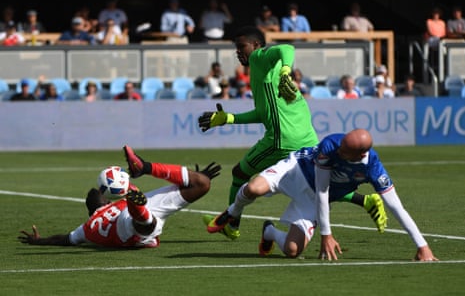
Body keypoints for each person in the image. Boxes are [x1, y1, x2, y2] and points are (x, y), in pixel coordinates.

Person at [198, 26, 386, 240]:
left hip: (281, 140)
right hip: (306, 137)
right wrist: (229, 118)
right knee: (316, 182)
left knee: (240, 174)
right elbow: (263, 113)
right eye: (236, 48)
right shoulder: (263, 71)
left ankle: (232, 224)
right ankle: (366, 200)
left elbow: (286, 48)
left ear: (256, 46)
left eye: (242, 47)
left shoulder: (260, 57)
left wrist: (286, 69)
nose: (238, 52)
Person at [207, 129, 438, 262]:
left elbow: (397, 207)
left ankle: (269, 231)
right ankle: (232, 212)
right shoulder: (330, 146)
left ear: (361, 155)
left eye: (345, 151)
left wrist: (422, 246)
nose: (339, 151)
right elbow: (323, 189)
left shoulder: (374, 169)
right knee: (253, 189)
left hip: (311, 198)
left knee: (292, 251)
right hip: (296, 170)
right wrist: (326, 235)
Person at [18, 145, 221, 249]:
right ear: (106, 200)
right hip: (127, 216)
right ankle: (145, 171)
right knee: (201, 183)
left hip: (126, 224)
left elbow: (64, 240)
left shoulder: (87, 228)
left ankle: (138, 202)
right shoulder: (94, 221)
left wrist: (39, 241)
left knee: (144, 223)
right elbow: (64, 240)